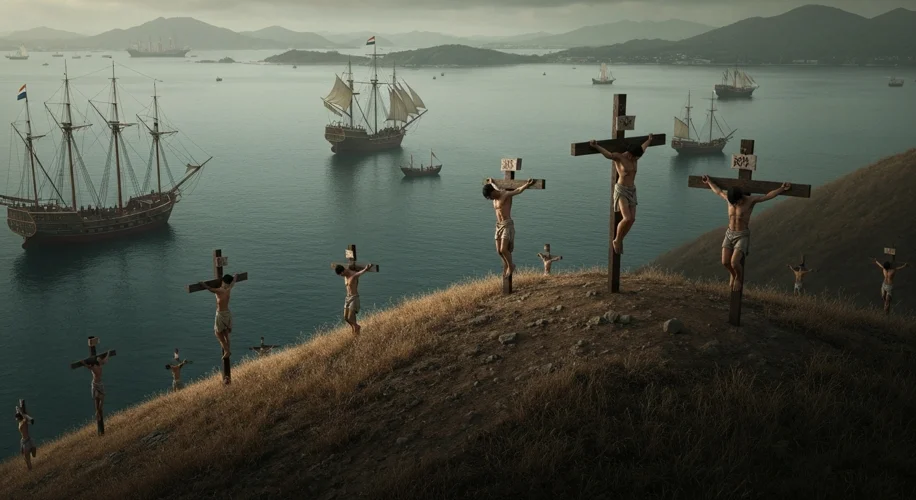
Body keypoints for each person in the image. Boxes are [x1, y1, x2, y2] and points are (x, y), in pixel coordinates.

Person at [701, 175, 791, 291]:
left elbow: (768, 196)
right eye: (733, 202)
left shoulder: (750, 201)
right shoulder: (730, 199)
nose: (735, 204)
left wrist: (782, 188)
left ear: (741, 197)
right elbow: (718, 191)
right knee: (725, 262)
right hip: (729, 233)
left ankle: (738, 278)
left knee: (734, 262)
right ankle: (733, 275)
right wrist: (709, 182)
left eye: (737, 202)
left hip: (742, 235)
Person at [588, 134, 654, 255]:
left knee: (632, 219)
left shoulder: (635, 157)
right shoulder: (619, 157)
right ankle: (617, 240)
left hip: (632, 190)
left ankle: (620, 239)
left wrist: (649, 140)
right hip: (622, 190)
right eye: (633, 156)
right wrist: (596, 145)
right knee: (627, 218)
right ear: (629, 153)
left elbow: (643, 148)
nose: (635, 158)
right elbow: (608, 155)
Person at [483, 178, 536, 278]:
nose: (490, 199)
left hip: (507, 224)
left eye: (490, 196)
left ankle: (511, 266)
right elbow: (496, 188)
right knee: (499, 251)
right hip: (498, 226)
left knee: (504, 249)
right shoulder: (495, 198)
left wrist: (527, 184)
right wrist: (492, 183)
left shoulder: (505, 194)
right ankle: (506, 266)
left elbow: (518, 190)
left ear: (492, 192)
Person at [199, 273, 239, 360]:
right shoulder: (229, 288)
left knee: (217, 333)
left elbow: (210, 289)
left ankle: (227, 351)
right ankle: (228, 350)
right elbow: (234, 281)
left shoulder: (220, 290)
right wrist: (235, 276)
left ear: (223, 282)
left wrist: (203, 284)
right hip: (227, 313)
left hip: (220, 314)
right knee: (225, 334)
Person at [335, 263, 374, 335]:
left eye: (341, 274)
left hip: (354, 297)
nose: (341, 276)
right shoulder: (345, 275)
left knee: (350, 317)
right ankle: (355, 327)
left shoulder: (353, 275)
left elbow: (360, 273)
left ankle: (356, 327)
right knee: (346, 318)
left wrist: (366, 268)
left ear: (343, 271)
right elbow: (350, 263)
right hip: (347, 298)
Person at [78, 352, 112, 434]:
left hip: (96, 383)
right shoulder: (98, 366)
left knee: (98, 398)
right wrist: (108, 353)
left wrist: (108, 354)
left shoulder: (94, 367)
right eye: (99, 360)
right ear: (97, 362)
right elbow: (104, 360)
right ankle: (98, 413)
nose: (100, 360)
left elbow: (104, 360)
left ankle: (97, 413)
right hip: (98, 383)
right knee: (101, 397)